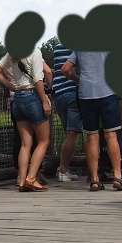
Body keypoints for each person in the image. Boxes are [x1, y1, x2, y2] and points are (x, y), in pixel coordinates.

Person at [61, 49, 122, 192]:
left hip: (86, 94)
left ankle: (95, 180)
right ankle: (117, 177)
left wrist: (79, 80)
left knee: (92, 136)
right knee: (111, 135)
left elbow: (65, 69)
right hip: (108, 92)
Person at [0, 47, 54, 192]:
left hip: (18, 98)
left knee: (25, 144)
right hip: (32, 96)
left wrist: (10, 86)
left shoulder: (13, 53)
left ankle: (22, 180)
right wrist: (45, 101)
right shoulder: (34, 51)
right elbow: (38, 79)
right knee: (44, 141)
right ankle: (31, 178)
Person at [48, 38, 83, 182]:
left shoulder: (57, 48)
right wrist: (80, 81)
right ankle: (63, 170)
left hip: (58, 94)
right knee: (72, 133)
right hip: (72, 92)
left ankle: (64, 168)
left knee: (68, 132)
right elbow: (73, 68)